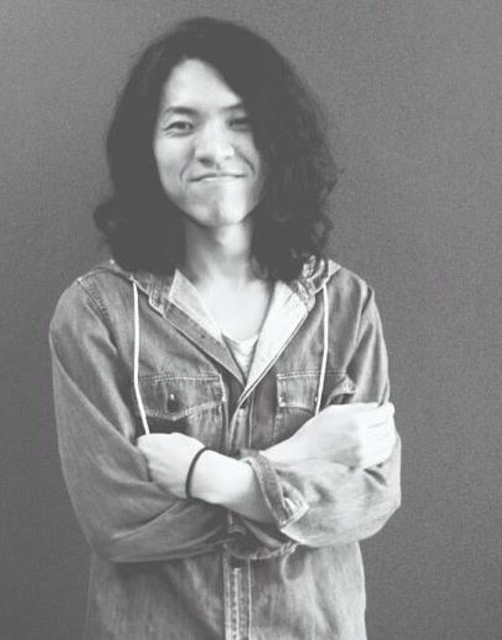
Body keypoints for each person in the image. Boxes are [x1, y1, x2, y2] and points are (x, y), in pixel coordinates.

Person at [49, 16, 401, 640]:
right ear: (145, 148)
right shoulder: (97, 314)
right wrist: (299, 458)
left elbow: (368, 497)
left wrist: (209, 476)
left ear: (278, 138)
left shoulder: (343, 305)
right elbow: (121, 523)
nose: (213, 149)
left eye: (241, 121)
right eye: (181, 125)